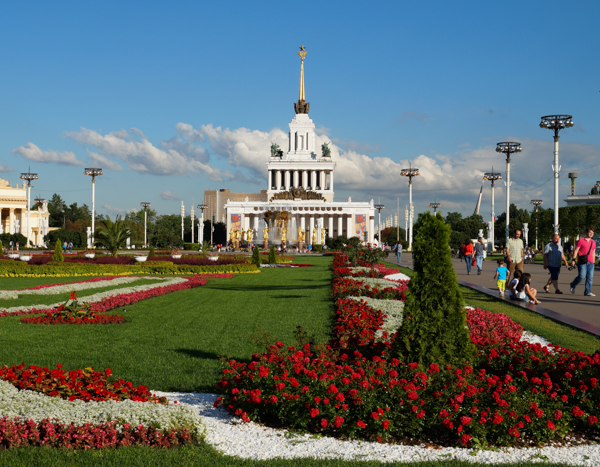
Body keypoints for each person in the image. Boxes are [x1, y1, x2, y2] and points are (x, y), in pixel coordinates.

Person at [570, 227, 597, 296]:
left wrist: (593, 262)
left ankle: (587, 291)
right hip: (582, 261)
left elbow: (593, 252)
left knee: (590, 277)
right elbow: (576, 251)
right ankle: (573, 285)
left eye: (592, 233)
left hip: (591, 262)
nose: (591, 234)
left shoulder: (593, 242)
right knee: (582, 276)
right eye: (590, 232)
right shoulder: (581, 240)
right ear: (586, 232)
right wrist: (573, 260)